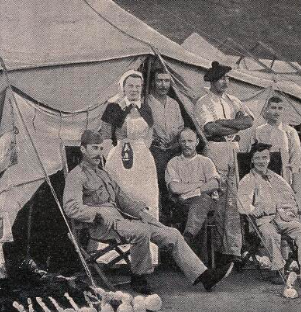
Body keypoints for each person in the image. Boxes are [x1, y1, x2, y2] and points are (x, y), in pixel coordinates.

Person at [63, 130, 233, 294]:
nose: (98, 153)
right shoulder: (76, 176)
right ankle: (138, 277)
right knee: (141, 231)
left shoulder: (103, 173)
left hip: (121, 221)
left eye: (101, 148)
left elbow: (122, 198)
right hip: (101, 224)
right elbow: (71, 207)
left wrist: (140, 212)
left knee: (171, 233)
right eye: (94, 148)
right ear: (83, 149)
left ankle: (204, 276)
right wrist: (98, 213)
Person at [237, 143, 301, 291]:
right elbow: (242, 205)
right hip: (263, 220)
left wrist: (289, 211)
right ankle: (278, 269)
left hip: (283, 217)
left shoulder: (277, 178)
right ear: (252, 160)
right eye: (258, 158)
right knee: (270, 233)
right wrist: (254, 209)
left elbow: (290, 198)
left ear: (269, 159)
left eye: (265, 157)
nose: (261, 161)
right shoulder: (247, 180)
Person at [195, 61, 254, 264]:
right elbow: (210, 129)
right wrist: (232, 126)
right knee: (216, 197)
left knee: (233, 199)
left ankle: (232, 248)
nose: (225, 82)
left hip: (233, 150)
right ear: (212, 81)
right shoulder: (203, 102)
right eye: (221, 78)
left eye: (227, 78)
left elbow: (249, 121)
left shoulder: (233, 100)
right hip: (215, 149)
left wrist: (225, 123)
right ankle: (216, 250)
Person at [100, 69, 159, 227]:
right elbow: (106, 136)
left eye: (138, 86)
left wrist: (142, 151)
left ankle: (147, 242)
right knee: (124, 195)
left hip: (143, 161)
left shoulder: (145, 108)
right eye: (130, 86)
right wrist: (112, 154)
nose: (134, 89)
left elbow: (150, 133)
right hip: (120, 158)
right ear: (123, 87)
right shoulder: (113, 107)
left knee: (145, 198)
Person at [165, 128, 221, 244]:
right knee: (200, 206)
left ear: (197, 142)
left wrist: (191, 192)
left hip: (204, 202)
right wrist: (200, 184)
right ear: (179, 142)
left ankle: (187, 237)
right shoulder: (173, 163)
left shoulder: (206, 161)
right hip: (182, 204)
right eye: (183, 141)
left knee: (203, 200)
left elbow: (214, 184)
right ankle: (197, 253)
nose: (186, 145)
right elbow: (174, 188)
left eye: (190, 141)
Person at [147, 69, 185, 222]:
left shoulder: (174, 104)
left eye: (166, 81)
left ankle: (174, 218)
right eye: (159, 80)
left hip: (173, 149)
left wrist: (175, 141)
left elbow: (180, 127)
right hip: (156, 150)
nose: (163, 85)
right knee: (158, 184)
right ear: (153, 82)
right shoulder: (147, 102)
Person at [251, 96, 301, 189]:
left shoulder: (290, 132)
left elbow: (296, 158)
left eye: (280, 108)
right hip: (262, 178)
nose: (277, 112)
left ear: (283, 110)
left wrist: (294, 185)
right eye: (273, 108)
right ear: (267, 110)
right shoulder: (258, 131)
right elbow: (252, 155)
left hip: (283, 177)